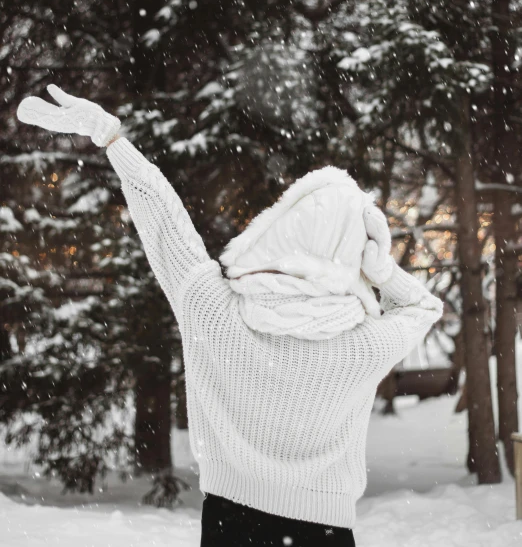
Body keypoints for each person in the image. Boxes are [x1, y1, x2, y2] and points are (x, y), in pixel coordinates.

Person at [17, 85, 444, 547]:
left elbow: (167, 225)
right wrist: (383, 271)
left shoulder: (216, 312)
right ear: (352, 253)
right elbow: (423, 307)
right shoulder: (360, 345)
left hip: (230, 524)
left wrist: (114, 141)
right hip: (324, 530)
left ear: (277, 231)